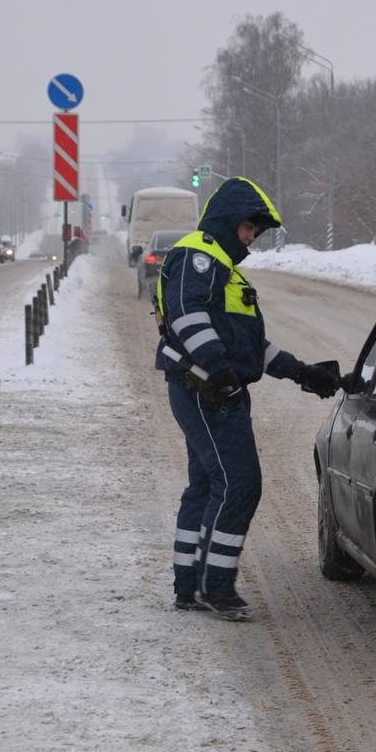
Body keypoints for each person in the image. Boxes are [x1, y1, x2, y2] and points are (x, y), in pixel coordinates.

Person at [154, 177, 340, 621]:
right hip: (207, 390)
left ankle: (190, 585)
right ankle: (215, 588)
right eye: (248, 228)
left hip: (212, 389)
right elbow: (186, 314)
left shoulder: (224, 268)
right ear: (228, 219)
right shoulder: (198, 256)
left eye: (256, 231)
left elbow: (251, 347)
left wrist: (302, 372)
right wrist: (219, 371)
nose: (252, 237)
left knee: (207, 484)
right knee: (239, 484)